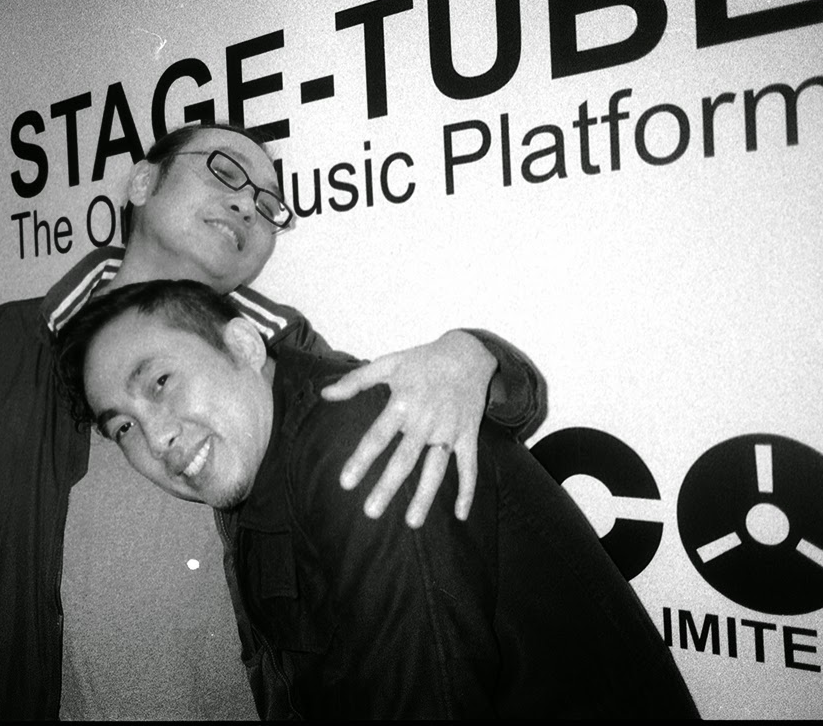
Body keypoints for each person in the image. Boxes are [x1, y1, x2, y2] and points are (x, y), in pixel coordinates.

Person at [0, 122, 546, 720]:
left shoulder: (285, 351)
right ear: (142, 182)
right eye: (226, 171)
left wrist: (474, 357)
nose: (248, 205)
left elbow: (413, 428)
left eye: (268, 203)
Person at [54, 278, 701, 719]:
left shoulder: (358, 442)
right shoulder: (255, 459)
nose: (156, 438)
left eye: (160, 382)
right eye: (123, 427)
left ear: (245, 346)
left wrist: (475, 352)